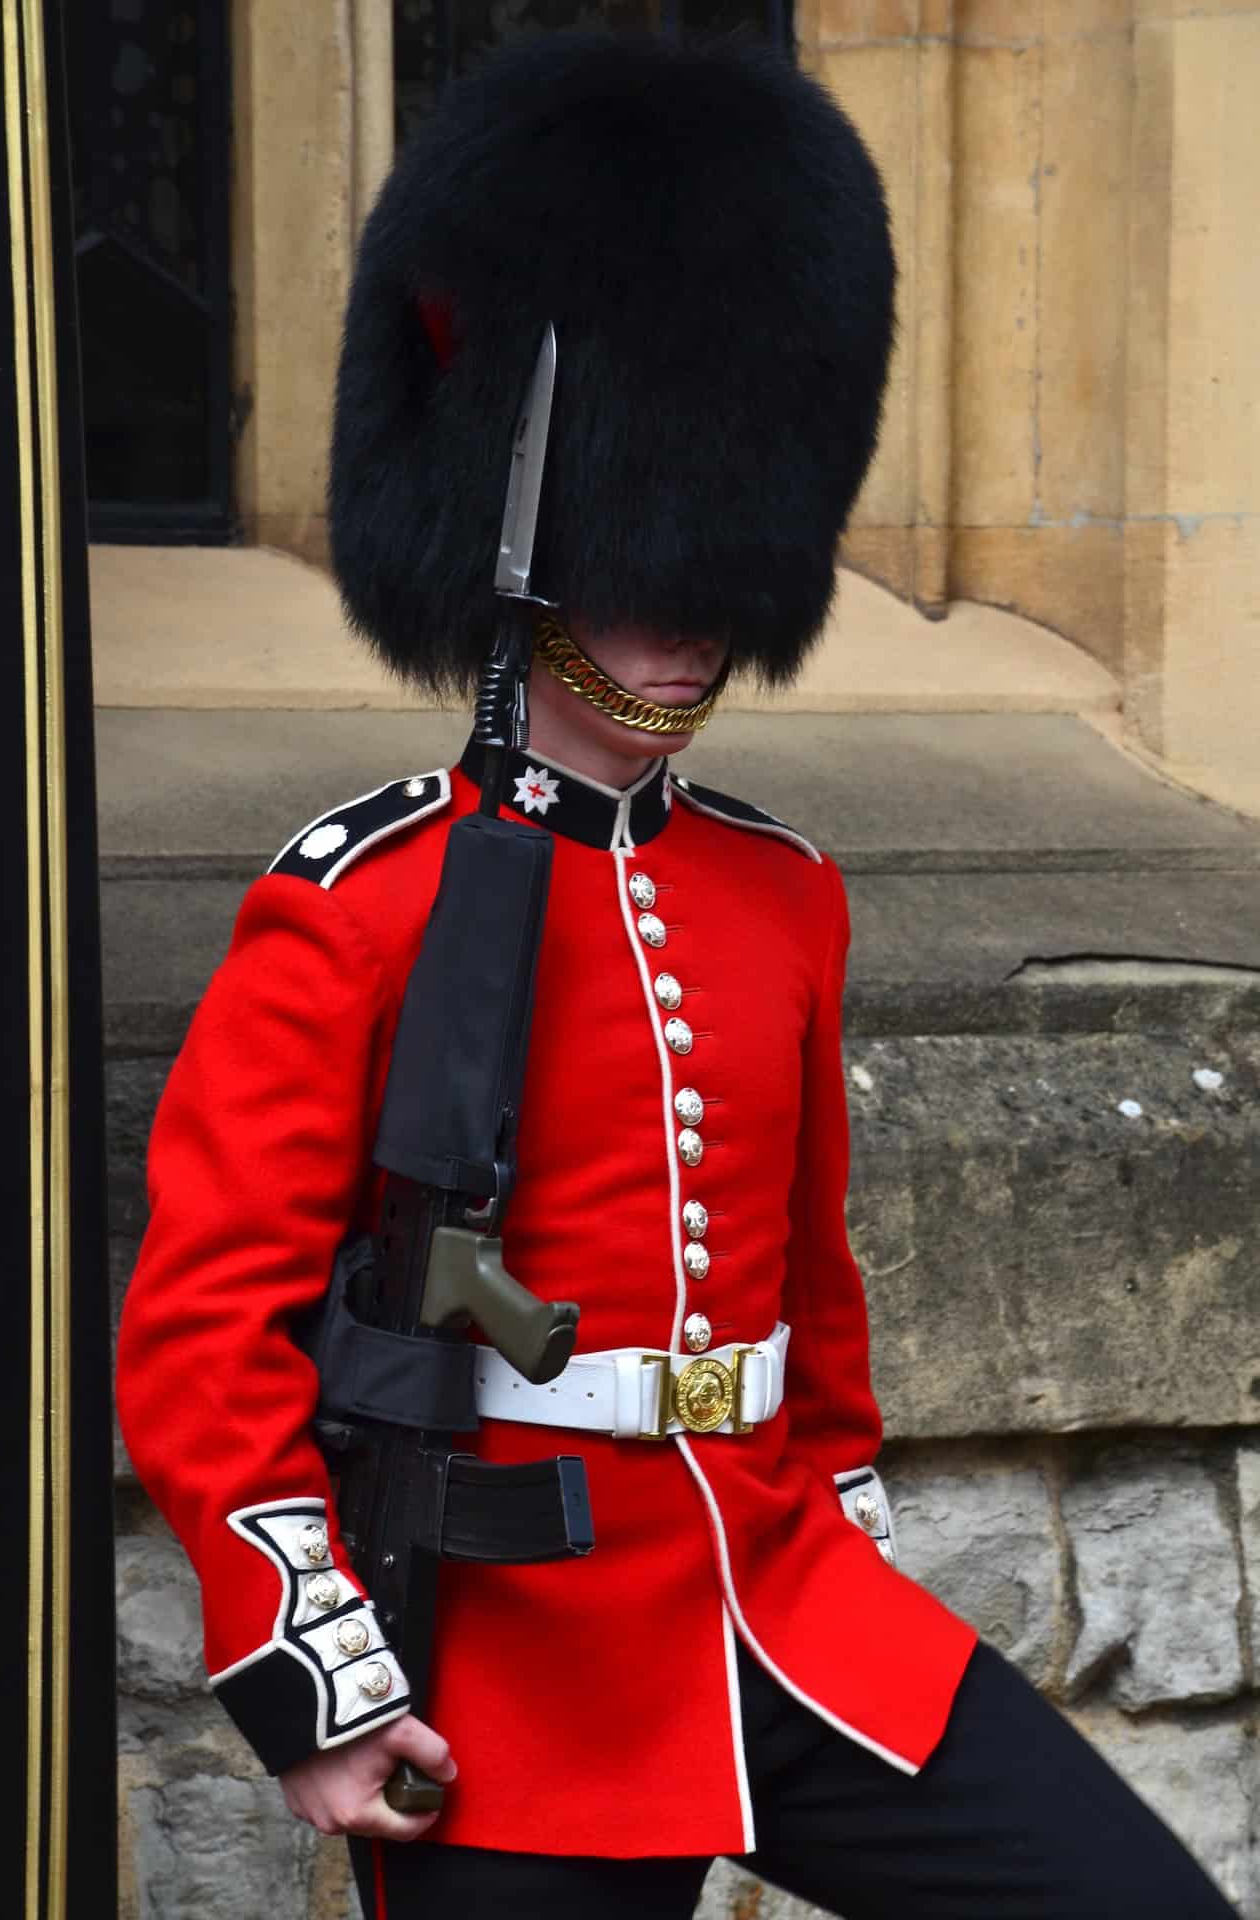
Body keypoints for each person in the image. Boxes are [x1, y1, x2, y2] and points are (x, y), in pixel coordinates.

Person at [116, 31, 1238, 1920]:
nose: (684, 609)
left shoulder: (782, 893)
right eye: (640, 557)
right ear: (536, 555)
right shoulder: (359, 898)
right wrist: (316, 1671)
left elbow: (812, 1288)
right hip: (513, 1656)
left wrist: (846, 1511)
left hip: (784, 1597)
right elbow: (203, 1335)